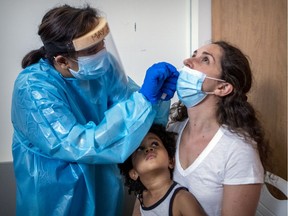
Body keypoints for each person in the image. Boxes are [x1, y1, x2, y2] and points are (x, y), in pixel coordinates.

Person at [11, 4, 179, 216]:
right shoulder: (33, 88)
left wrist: (158, 100)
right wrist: (144, 101)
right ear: (62, 60)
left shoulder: (104, 67)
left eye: (102, 44)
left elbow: (137, 118)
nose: (102, 54)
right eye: (91, 50)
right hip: (55, 198)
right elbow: (79, 145)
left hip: (104, 187)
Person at [166, 40, 271, 216]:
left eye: (205, 60)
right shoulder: (174, 129)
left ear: (222, 87)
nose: (187, 61)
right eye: (194, 55)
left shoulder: (238, 150)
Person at [118, 124, 206, 216]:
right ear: (134, 173)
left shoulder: (181, 199)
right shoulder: (141, 199)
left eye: (155, 144)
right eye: (140, 149)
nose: (149, 149)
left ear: (171, 161)